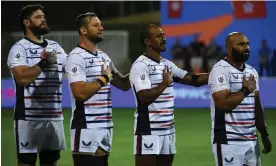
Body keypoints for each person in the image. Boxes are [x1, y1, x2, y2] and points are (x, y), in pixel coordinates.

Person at [129, 24, 209, 166]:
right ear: (148, 41)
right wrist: (164, 84)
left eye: (164, 35)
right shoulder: (140, 65)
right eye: (159, 36)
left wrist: (218, 73)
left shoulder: (167, 64)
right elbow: (143, 97)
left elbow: (193, 80)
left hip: (168, 130)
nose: (164, 39)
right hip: (148, 130)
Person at [65, 12, 130, 166]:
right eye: (96, 25)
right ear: (83, 30)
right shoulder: (76, 57)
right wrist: (104, 79)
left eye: (101, 24)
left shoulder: (103, 56)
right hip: (86, 126)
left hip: (105, 125)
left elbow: (123, 84)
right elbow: (79, 93)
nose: (101, 28)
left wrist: (142, 67)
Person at [7, 4, 67, 166]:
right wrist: (43, 62)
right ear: (27, 23)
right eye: (38, 17)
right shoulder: (19, 48)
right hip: (29, 119)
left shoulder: (56, 47)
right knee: (27, 162)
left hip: (55, 117)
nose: (43, 20)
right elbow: (22, 78)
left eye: (43, 17)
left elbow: (72, 69)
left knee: (51, 162)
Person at [208, 32, 272, 166]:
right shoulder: (220, 70)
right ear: (229, 48)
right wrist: (245, 91)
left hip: (251, 140)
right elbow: (222, 105)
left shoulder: (252, 71)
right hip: (228, 141)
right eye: (241, 44)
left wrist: (264, 133)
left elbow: (257, 106)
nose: (246, 47)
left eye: (247, 44)